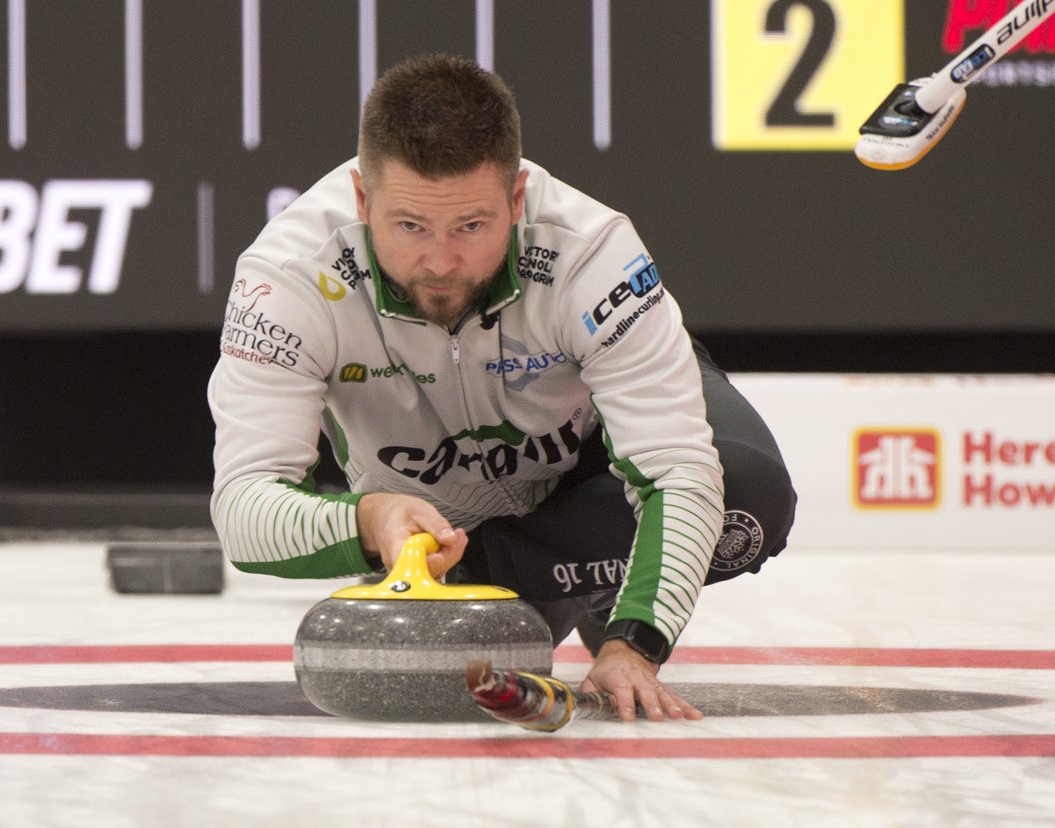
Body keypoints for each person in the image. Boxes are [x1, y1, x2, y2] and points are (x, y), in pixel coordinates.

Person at [209, 54, 796, 723]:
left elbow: (679, 472)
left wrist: (636, 644)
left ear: (516, 200)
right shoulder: (286, 277)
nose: (439, 260)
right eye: (409, 227)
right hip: (450, 540)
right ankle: (569, 580)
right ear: (362, 200)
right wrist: (367, 520)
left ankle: (605, 595)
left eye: (471, 226)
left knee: (748, 504)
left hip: (592, 463)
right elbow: (244, 512)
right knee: (444, 670)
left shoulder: (592, 250)